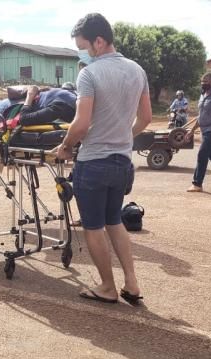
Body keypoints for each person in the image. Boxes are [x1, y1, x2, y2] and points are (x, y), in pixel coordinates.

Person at [54, 13, 152, 304]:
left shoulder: (90, 74)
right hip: (122, 162)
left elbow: (81, 124)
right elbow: (145, 117)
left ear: (99, 41)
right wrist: (123, 136)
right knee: (115, 221)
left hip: (94, 163)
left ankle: (107, 287)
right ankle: (131, 283)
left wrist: (66, 145)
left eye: (84, 47)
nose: (84, 53)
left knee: (93, 226)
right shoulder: (137, 70)